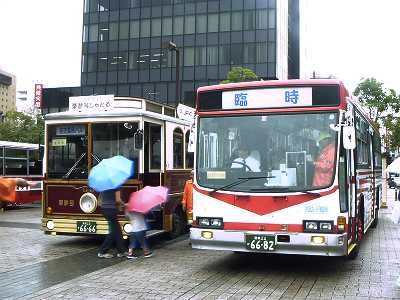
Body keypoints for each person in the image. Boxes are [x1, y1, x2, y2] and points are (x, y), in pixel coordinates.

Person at [97, 189, 127, 258]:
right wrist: (124, 204)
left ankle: (121, 251)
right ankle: (102, 251)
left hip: (104, 209)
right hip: (111, 209)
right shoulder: (117, 186)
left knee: (117, 230)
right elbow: (118, 200)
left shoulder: (104, 186)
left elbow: (99, 200)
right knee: (113, 232)